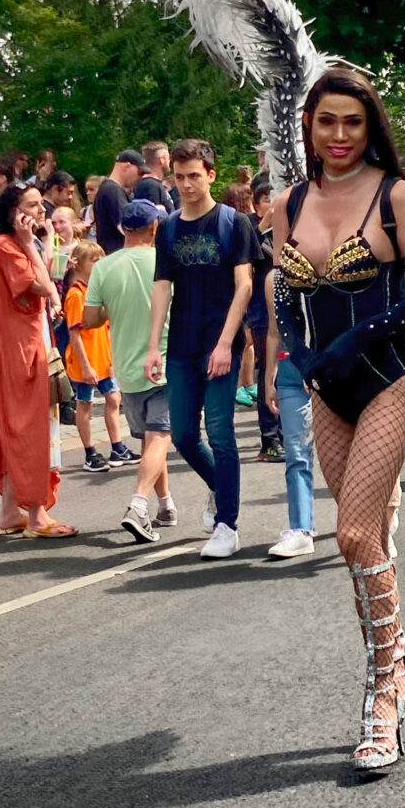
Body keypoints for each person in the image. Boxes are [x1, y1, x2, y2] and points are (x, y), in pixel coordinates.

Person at [272, 69, 405, 774]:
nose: (339, 135)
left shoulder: (395, 194)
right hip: (324, 384)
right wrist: (300, 351)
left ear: (370, 125)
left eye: (353, 122)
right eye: (326, 122)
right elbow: (283, 289)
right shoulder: (291, 200)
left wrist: (354, 338)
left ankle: (382, 694)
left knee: (348, 532)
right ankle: (399, 674)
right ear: (309, 127)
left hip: (386, 378)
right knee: (362, 542)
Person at [144, 138, 259, 560]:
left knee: (222, 434)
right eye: (180, 176)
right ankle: (219, 486)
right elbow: (162, 287)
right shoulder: (170, 227)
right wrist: (153, 344)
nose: (187, 184)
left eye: (195, 175)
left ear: (211, 174)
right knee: (186, 437)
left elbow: (244, 284)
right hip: (182, 347)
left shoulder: (233, 223)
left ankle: (228, 525)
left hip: (221, 342)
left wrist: (227, 342)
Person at [84, 199, 176, 543]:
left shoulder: (104, 268)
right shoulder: (163, 261)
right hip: (164, 361)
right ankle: (138, 505)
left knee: (153, 438)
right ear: (153, 228)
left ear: (123, 228)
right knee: (160, 437)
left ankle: (166, 505)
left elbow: (91, 319)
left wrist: (114, 308)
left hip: (125, 365)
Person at [0, 183, 77, 538]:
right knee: (31, 426)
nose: (41, 210)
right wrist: (31, 243)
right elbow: (44, 286)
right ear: (15, 215)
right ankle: (37, 514)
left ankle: (11, 512)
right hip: (21, 348)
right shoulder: (8, 247)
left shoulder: (12, 245)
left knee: (19, 425)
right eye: (32, 205)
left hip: (25, 342)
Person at [65, 240, 140, 473]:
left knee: (114, 398)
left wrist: (111, 358)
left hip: (103, 358)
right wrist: (86, 367)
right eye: (93, 260)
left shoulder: (94, 291)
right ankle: (90, 452)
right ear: (79, 264)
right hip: (85, 361)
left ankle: (117, 446)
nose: (98, 264)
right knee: (85, 404)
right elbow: (75, 335)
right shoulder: (76, 295)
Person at [263, 269, 315, 557]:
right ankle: (301, 528)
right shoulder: (275, 278)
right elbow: (274, 330)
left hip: (331, 364)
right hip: (289, 369)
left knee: (345, 452)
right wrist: (269, 376)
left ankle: (364, 521)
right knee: (296, 450)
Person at [246, 175, 284, 459]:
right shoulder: (248, 227)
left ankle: (284, 431)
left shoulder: (287, 228)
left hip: (287, 310)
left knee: (285, 372)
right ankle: (269, 439)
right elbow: (246, 259)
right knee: (266, 372)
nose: (273, 204)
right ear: (256, 203)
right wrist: (263, 226)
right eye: (267, 199)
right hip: (261, 312)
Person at [94, 149, 150, 255]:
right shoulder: (112, 190)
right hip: (115, 255)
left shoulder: (109, 188)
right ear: (126, 166)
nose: (141, 177)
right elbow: (126, 226)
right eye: (140, 172)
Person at [133, 142, 175, 214]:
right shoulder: (151, 186)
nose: (169, 161)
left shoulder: (151, 184)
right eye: (168, 158)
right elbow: (153, 220)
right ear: (161, 160)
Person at [81, 175, 105, 239]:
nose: (87, 193)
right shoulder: (83, 211)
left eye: (91, 190)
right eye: (87, 190)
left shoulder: (108, 211)